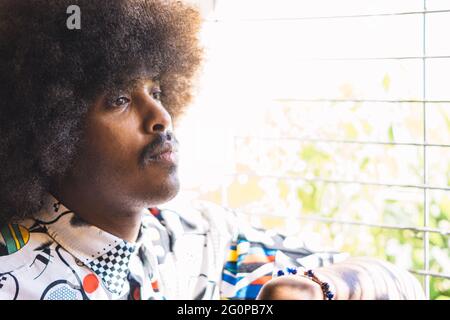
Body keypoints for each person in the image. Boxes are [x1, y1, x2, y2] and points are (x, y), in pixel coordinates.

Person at [0, 0, 425, 300]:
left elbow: (400, 284)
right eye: (119, 100)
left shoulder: (201, 237)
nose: (161, 116)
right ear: (50, 130)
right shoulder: (14, 279)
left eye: (156, 89)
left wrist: (321, 287)